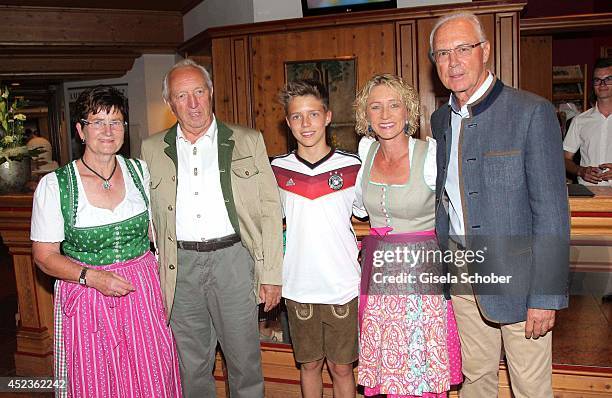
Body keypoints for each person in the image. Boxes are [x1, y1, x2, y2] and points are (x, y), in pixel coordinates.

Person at [430, 12, 570, 397]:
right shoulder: (440, 119)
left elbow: (553, 213)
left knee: (529, 385)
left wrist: (544, 296)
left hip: (520, 276)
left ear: (486, 51)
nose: (453, 62)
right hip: (460, 267)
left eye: (463, 49)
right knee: (475, 378)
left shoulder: (531, 111)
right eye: (442, 53)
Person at [141, 58, 283, 398]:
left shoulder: (248, 140)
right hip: (181, 268)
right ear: (169, 103)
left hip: (233, 261)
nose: (193, 104)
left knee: (244, 365)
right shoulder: (150, 149)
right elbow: (145, 214)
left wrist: (271, 274)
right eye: (182, 96)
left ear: (211, 93)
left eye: (199, 92)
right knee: (191, 367)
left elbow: (269, 210)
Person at [30, 86, 182, 397]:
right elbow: (44, 256)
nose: (108, 131)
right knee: (97, 380)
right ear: (80, 130)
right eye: (97, 122)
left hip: (143, 292)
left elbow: (157, 233)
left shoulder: (141, 172)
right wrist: (91, 277)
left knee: (152, 372)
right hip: (87, 297)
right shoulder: (55, 185)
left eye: (116, 122)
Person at [354, 73, 462, 397]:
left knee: (418, 365)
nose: (385, 115)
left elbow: (455, 207)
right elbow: (359, 208)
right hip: (377, 271)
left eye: (393, 105)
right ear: (366, 115)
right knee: (389, 364)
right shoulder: (365, 152)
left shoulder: (429, 155)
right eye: (376, 107)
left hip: (419, 273)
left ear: (408, 111)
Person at [272, 80, 361, 398]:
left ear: (327, 116)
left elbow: (366, 212)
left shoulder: (352, 166)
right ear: (287, 122)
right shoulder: (277, 170)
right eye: (297, 116)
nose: (305, 123)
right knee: (309, 366)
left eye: (313, 114)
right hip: (298, 285)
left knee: (341, 368)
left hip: (342, 285)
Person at [564, 57, 612, 185]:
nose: (602, 84)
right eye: (597, 80)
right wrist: (581, 170)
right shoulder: (580, 120)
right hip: (589, 195)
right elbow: (565, 158)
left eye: (608, 79)